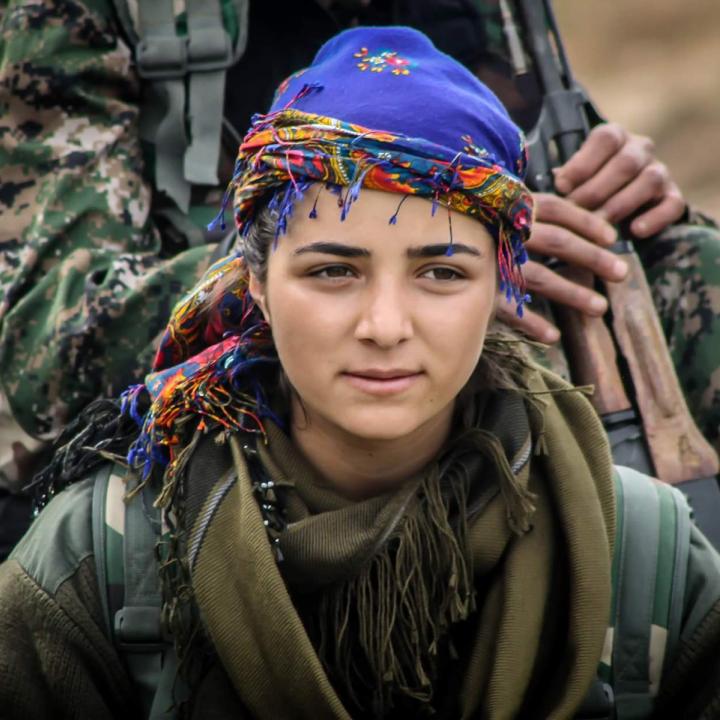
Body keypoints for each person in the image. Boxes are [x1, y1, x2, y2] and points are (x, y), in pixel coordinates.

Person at [2, 26, 720, 719]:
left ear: (504, 286)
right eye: (333, 270)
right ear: (252, 282)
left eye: (441, 271)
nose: (384, 325)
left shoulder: (643, 555)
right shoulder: (102, 555)